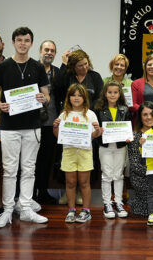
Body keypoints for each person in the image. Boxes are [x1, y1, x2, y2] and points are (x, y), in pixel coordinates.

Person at [0, 27, 50, 228]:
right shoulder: (3, 67)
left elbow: (47, 96)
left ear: (31, 43)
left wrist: (43, 98)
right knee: (9, 170)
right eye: (19, 40)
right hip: (9, 126)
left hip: (32, 126)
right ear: (13, 42)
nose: (23, 43)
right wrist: (0, 105)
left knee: (29, 169)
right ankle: (7, 209)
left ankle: (25, 208)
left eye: (26, 40)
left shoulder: (38, 67)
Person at [53, 84, 101, 223]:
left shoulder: (90, 114)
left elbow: (94, 135)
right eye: (73, 95)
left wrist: (97, 130)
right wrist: (55, 127)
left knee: (84, 182)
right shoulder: (64, 114)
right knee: (70, 182)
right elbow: (58, 135)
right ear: (69, 97)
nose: (76, 98)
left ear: (85, 98)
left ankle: (86, 211)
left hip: (85, 152)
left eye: (80, 95)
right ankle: (71, 210)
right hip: (69, 152)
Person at [94, 80, 132, 219]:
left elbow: (128, 127)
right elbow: (95, 129)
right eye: (110, 92)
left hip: (120, 146)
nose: (112, 95)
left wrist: (128, 136)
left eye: (115, 92)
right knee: (106, 174)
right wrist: (99, 131)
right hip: (104, 146)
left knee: (118, 174)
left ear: (120, 94)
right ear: (105, 93)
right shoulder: (98, 109)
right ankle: (107, 203)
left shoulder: (125, 109)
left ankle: (118, 202)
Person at [34, 40, 60, 204]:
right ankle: (29, 194)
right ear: (40, 51)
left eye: (52, 50)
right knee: (30, 160)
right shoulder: (32, 69)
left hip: (51, 123)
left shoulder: (57, 72)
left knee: (45, 160)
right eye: (46, 49)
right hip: (32, 123)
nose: (49, 52)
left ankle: (42, 192)